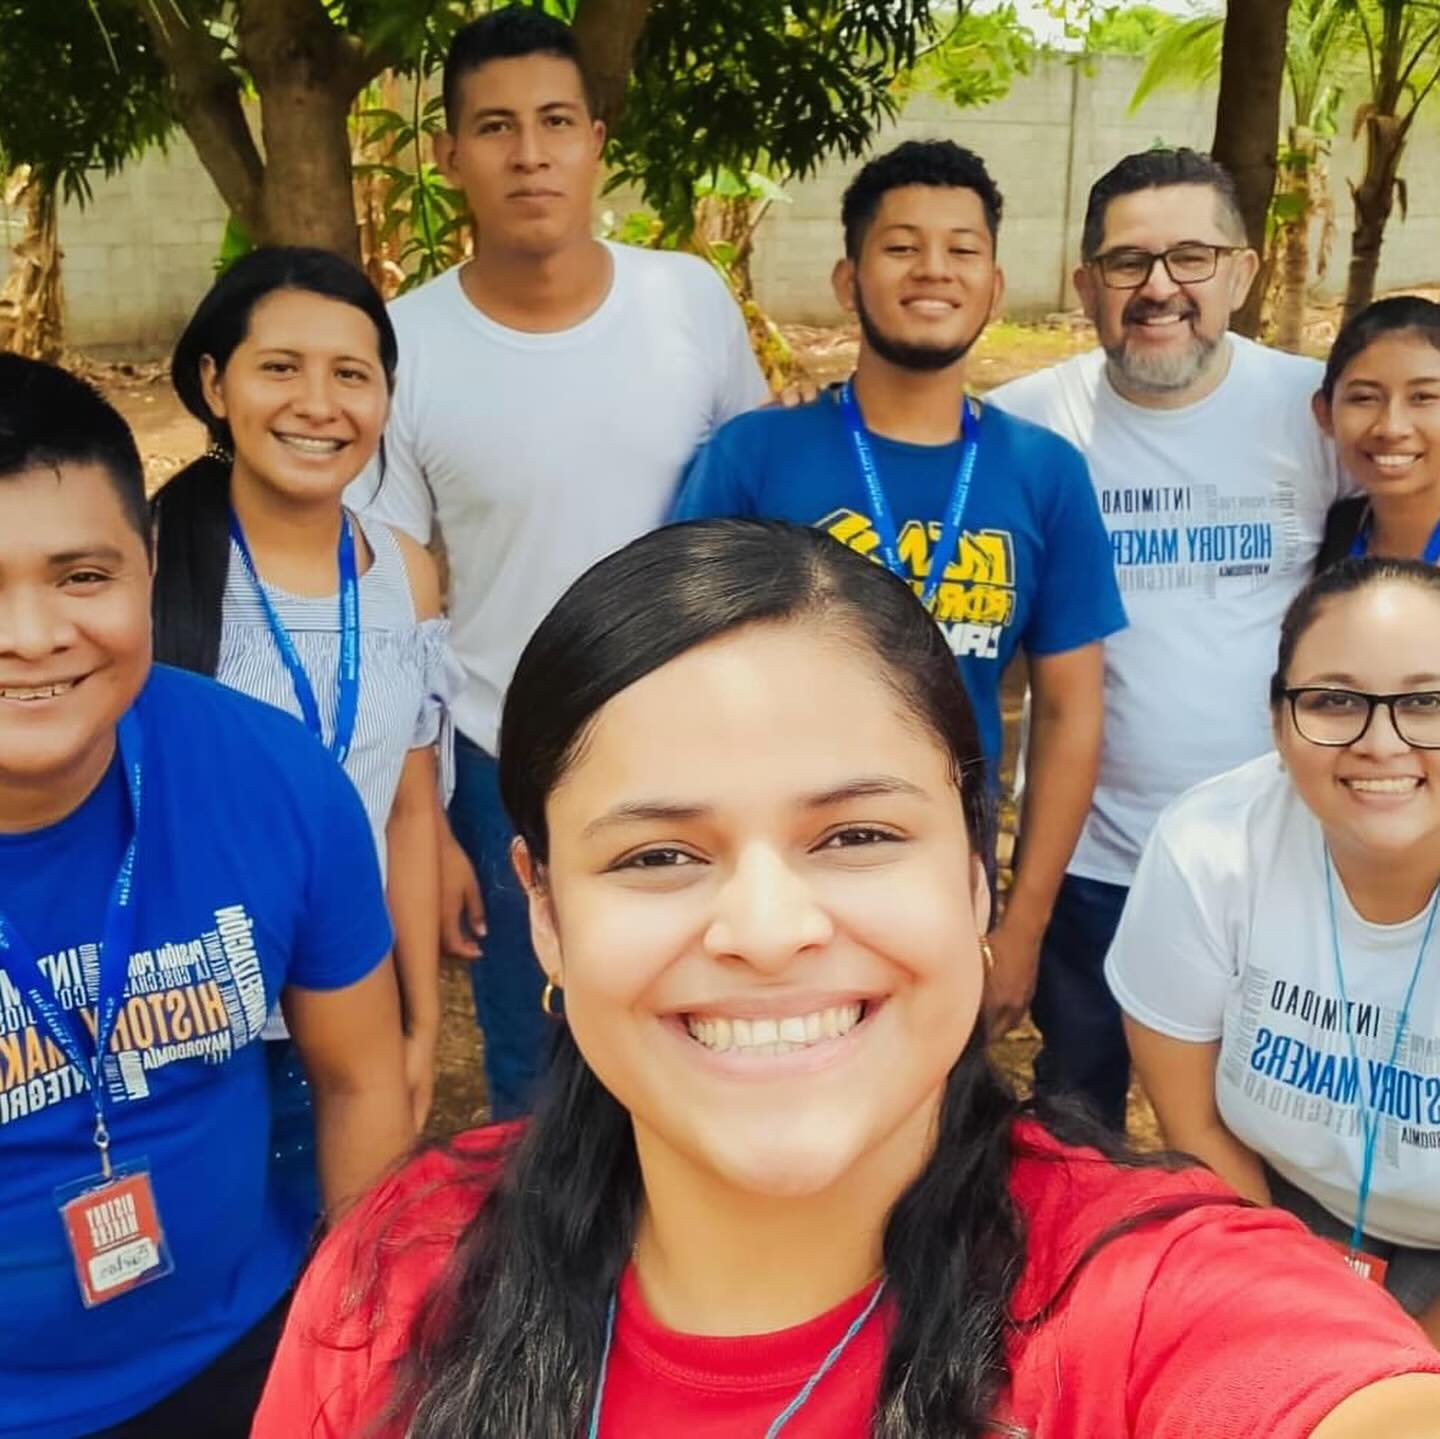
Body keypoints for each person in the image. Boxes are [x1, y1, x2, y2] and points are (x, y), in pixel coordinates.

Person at [256, 520, 1440, 1438]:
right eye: (659, 854)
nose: (768, 929)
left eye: (858, 835)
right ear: (550, 914)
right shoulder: (403, 1264)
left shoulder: (1152, 1304)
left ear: (977, 873)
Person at [352, 5, 769, 1119]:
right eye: (494, 127)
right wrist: (427, 820)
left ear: (597, 138)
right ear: (449, 155)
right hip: (504, 762)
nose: (528, 153)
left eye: (553, 122)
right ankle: (545, 1292)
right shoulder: (405, 344)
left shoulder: (689, 301)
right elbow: (398, 593)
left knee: (702, 1034)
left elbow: (755, 515)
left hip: (698, 743)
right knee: (532, 1073)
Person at [0, 354, 413, 1439]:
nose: (34, 636)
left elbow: (361, 1075)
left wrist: (349, 1329)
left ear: (146, 564)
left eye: (82, 576)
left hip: (247, 1356)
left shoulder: (268, 774)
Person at [671, 141, 1125, 1039]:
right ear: (848, 279)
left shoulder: (1044, 474)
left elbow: (1071, 712)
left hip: (941, 884)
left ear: (994, 287)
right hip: (774, 879)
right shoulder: (754, 457)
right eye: (902, 246)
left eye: (962, 249)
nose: (933, 270)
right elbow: (674, 673)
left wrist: (1021, 923)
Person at [988, 147, 1343, 1127]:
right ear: (1084, 284)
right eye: (1126, 262)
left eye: (1191, 257)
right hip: (1092, 863)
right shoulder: (1022, 429)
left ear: (1244, 270)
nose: (1159, 288)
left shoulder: (1316, 412)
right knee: (1078, 1123)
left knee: (1267, 1130)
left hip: (1277, 860)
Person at [150, 249, 451, 1220]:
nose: (317, 403)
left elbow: (407, 810)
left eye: (351, 374)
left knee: (342, 1307)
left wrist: (418, 1028)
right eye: (280, 366)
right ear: (214, 381)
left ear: (385, 398)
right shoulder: (144, 568)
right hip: (189, 1029)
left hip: (353, 1014)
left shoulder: (407, 571)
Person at [1108, 558, 1440, 1342]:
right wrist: (1299, 1309)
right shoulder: (1210, 846)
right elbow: (1193, 1120)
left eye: (1426, 701)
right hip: (1272, 1201)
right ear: (1275, 716)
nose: (1381, 741)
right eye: (1332, 700)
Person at [1315, 296, 1440, 570]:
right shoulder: (1333, 533)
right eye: (1364, 398)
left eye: (1423, 397)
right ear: (1324, 413)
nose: (1392, 428)